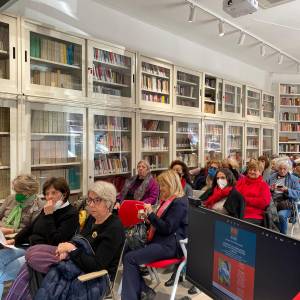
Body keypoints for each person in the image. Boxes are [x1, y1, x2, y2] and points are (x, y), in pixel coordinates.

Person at [5, 181, 125, 300]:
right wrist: (68, 247)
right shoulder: (93, 219)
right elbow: (79, 240)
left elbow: (97, 265)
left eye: (97, 200)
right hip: (75, 260)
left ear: (108, 203)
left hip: (94, 276)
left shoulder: (114, 228)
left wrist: (71, 250)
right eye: (89, 200)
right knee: (32, 257)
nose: (91, 205)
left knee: (32, 261)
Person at [1, 177, 78, 299]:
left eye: (54, 193)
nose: (49, 197)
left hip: (45, 254)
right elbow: (30, 228)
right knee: (1, 258)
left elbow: (56, 241)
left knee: (3, 272)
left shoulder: (71, 214)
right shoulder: (48, 209)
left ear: (64, 194)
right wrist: (14, 240)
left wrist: (49, 216)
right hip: (29, 246)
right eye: (47, 194)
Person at [121, 170, 188, 300]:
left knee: (130, 259)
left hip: (170, 246)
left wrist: (151, 214)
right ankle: (144, 290)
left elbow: (167, 228)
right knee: (127, 251)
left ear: (171, 184)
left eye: (163, 185)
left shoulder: (179, 202)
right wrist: (148, 218)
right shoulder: (168, 201)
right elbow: (161, 224)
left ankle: (133, 295)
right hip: (160, 241)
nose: (160, 188)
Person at [0, 174, 42, 298]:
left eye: (18, 191)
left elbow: (30, 230)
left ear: (28, 192)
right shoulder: (11, 198)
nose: (15, 194)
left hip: (18, 243)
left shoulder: (38, 207)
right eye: (15, 190)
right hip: (2, 237)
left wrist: (9, 230)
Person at [267, 157, 300, 234]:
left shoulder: (294, 179)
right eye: (280, 169)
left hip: (286, 204)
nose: (282, 171)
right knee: (266, 214)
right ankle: (272, 234)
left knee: (281, 215)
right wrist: (270, 188)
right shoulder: (271, 177)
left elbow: (298, 193)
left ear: (288, 169)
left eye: (284, 169)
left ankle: (282, 236)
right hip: (272, 202)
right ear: (277, 168)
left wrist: (287, 190)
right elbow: (264, 189)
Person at [236, 161, 271, 226]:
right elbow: (234, 195)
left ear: (260, 172)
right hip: (238, 211)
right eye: (250, 169)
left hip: (254, 214)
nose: (252, 172)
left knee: (241, 225)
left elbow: (264, 202)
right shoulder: (241, 181)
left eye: (255, 170)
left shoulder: (263, 185)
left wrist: (244, 199)